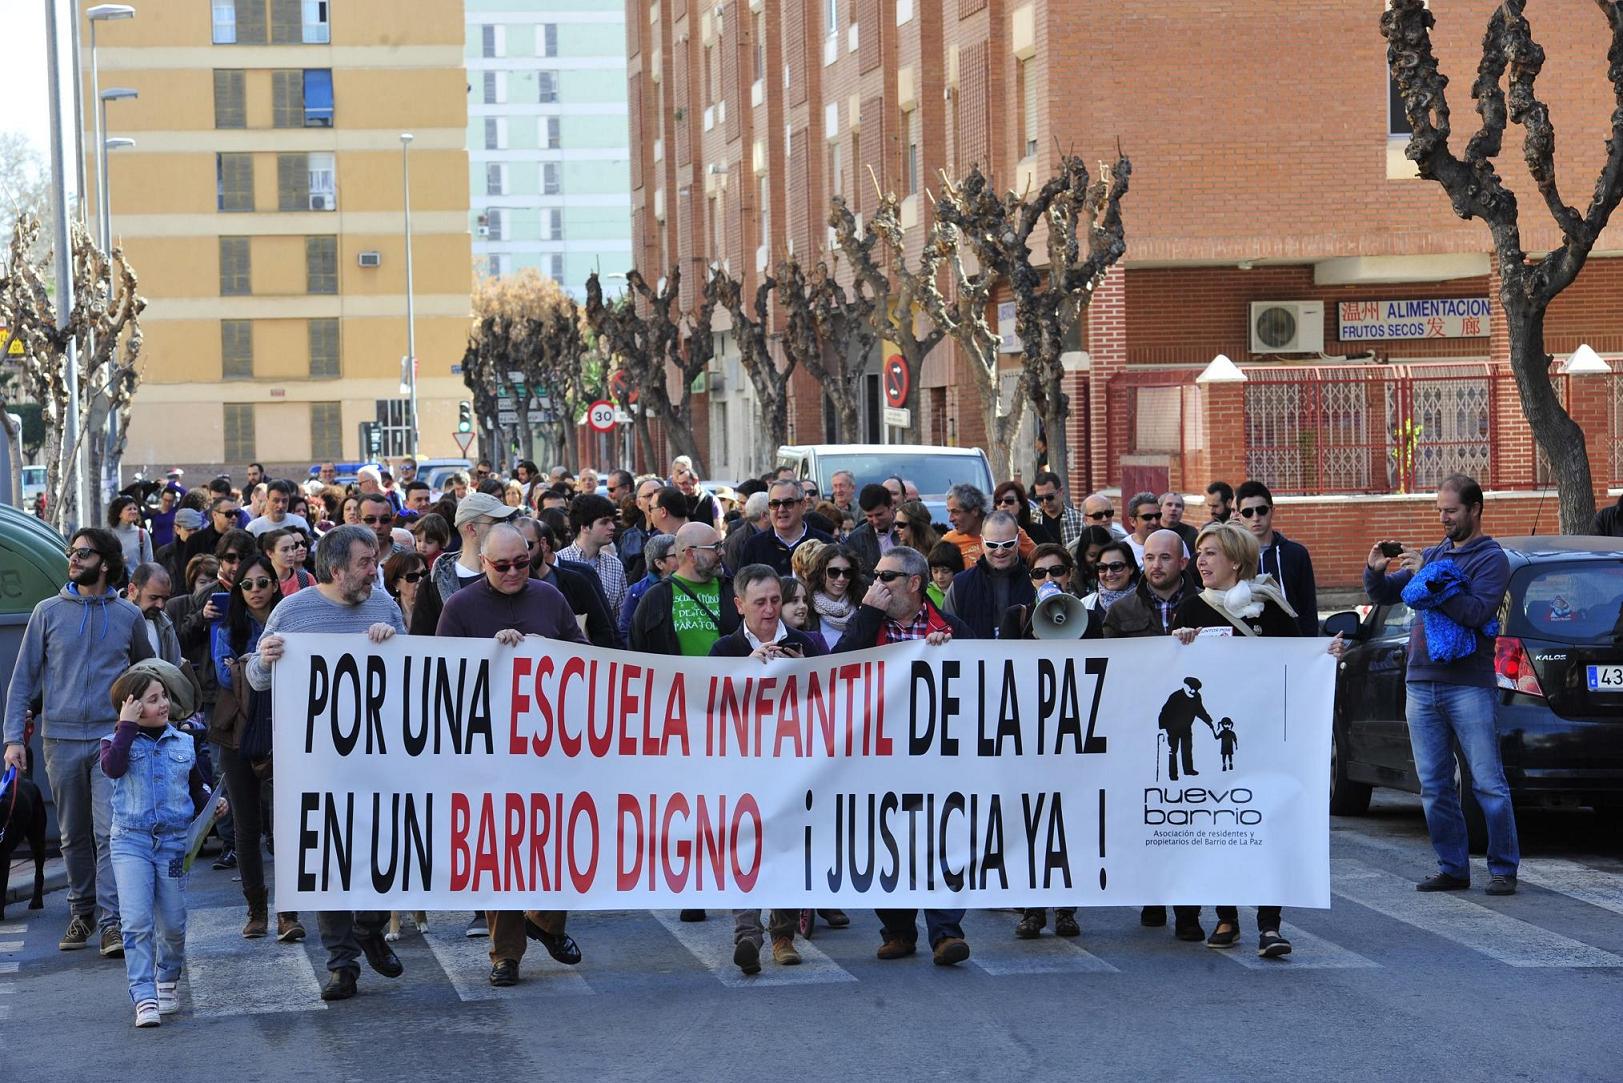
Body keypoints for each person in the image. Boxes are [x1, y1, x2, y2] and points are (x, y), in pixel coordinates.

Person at [246, 525, 408, 1002]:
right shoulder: (293, 611)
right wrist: (264, 657)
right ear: (336, 569)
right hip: (316, 764)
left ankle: (371, 926)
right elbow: (258, 679)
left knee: (385, 854)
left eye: (375, 563)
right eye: (365, 564)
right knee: (326, 862)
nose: (374, 572)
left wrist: (392, 642)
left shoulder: (384, 605)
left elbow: (413, 669)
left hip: (379, 759)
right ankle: (341, 965)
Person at [1170, 520, 1344, 957]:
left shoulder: (1271, 607)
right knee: (1219, 827)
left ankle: (1270, 925)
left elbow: (1298, 662)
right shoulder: (1190, 609)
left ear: (1235, 560)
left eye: (1210, 552)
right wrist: (1177, 644)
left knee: (1267, 825)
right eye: (1200, 553)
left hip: (1266, 736)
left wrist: (1326, 656)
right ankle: (1226, 915)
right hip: (1217, 743)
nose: (1202, 560)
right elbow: (1175, 674)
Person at [434, 524, 584, 986]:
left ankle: (546, 921)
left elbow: (583, 657)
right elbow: (437, 674)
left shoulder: (549, 597)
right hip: (489, 751)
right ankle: (505, 954)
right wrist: (489, 658)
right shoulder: (460, 607)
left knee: (558, 842)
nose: (515, 571)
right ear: (483, 564)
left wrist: (547, 652)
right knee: (499, 852)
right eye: (503, 566)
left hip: (549, 747)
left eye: (523, 562)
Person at [1364, 474, 1518, 896]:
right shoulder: (1433, 553)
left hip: (1469, 683)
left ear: (1474, 509)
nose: (1443, 518)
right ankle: (1453, 867)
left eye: (1450, 510)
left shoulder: (1491, 559)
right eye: (1439, 511)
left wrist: (1430, 574)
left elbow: (1474, 612)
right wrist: (1376, 570)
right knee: (1433, 785)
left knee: (1487, 781)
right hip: (1421, 683)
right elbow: (1386, 595)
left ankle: (1503, 868)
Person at [5, 527, 155, 956]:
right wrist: (13, 738)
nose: (73, 558)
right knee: (72, 835)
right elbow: (21, 681)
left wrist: (148, 723)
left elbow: (145, 673)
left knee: (110, 832)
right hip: (60, 741)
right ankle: (82, 911)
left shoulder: (128, 616)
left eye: (83, 553)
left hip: (112, 739)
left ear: (104, 563)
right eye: (72, 552)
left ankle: (111, 923)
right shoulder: (47, 612)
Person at [833, 546, 973, 966]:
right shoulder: (868, 622)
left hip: (938, 757)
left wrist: (949, 654)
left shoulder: (950, 627)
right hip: (879, 757)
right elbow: (840, 668)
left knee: (942, 840)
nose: (877, 584)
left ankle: (946, 932)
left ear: (915, 583)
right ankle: (897, 929)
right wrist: (868, 614)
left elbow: (978, 684)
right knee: (886, 841)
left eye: (887, 577)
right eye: (875, 575)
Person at [703, 563, 825, 972]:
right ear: (740, 605)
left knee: (789, 847)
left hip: (794, 767)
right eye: (760, 602)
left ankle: (783, 934)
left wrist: (807, 669)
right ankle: (747, 935)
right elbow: (709, 709)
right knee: (744, 849)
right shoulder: (725, 650)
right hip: (743, 769)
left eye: (776, 600)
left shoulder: (809, 642)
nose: (770, 610)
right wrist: (744, 670)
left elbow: (833, 701)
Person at [630, 521, 738, 922]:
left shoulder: (734, 594)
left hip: (731, 712)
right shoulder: (655, 600)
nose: (722, 553)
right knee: (689, 804)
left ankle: (734, 876)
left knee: (730, 799)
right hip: (679, 719)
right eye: (716, 547)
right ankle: (695, 884)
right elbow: (638, 657)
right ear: (691, 553)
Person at [101, 667, 217, 1026]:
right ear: (130, 706)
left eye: (164, 696)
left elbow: (197, 786)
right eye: (153, 699)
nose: (164, 704)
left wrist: (212, 803)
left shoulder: (183, 742)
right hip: (130, 842)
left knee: (173, 923)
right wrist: (126, 726)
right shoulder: (114, 742)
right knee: (135, 922)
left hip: (172, 844)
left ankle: (167, 978)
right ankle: (144, 996)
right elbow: (113, 768)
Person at [998, 542, 1093, 939]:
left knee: (1068, 820)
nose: (1048, 579)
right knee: (1029, 819)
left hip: (1071, 735)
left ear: (1068, 575)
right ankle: (1033, 907)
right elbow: (1001, 671)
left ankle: (1066, 907)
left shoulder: (1088, 616)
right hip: (1027, 734)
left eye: (1056, 572)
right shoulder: (1016, 617)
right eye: (1039, 574)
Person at [212, 551, 303, 942]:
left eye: (262, 582)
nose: (254, 591)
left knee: (284, 825)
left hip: (285, 731)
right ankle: (256, 909)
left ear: (275, 583)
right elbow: (222, 672)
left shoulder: (291, 620)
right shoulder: (227, 627)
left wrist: (250, 662)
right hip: (239, 733)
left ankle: (288, 913)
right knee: (247, 827)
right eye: (245, 584)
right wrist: (257, 661)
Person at [1235, 480, 1320, 637]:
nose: (1255, 517)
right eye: (1248, 512)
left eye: (1261, 510)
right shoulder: (1233, 556)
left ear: (1272, 511)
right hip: (1247, 645)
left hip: (1291, 642)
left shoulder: (1296, 554)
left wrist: (1309, 647)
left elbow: (1308, 607)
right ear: (1239, 516)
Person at [943, 511, 1034, 640]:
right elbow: (944, 629)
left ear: (1018, 540)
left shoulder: (1035, 582)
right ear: (982, 541)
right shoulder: (960, 584)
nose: (1000, 551)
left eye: (1007, 544)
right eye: (992, 545)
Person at [740, 478, 834, 575]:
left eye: (788, 503)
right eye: (775, 504)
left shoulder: (825, 543)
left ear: (803, 506)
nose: (781, 509)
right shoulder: (753, 546)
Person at [558, 493, 628, 615]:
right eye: (604, 522)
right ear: (585, 527)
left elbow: (620, 615)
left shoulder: (615, 565)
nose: (612, 527)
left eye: (612, 521)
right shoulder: (559, 561)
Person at [619, 533, 678, 646]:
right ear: (659, 563)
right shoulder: (637, 592)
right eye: (676, 555)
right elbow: (625, 633)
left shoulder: (690, 584)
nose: (682, 557)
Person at [805, 544, 866, 650]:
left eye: (847, 572)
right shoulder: (805, 605)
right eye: (834, 572)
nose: (841, 578)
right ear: (821, 572)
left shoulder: (862, 603)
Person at [844, 484, 899, 575]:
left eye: (879, 514)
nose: (875, 521)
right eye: (869, 516)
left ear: (891, 506)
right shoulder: (856, 538)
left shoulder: (907, 529)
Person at [1082, 539, 1139, 618]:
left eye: (1116, 566)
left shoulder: (1147, 602)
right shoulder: (1085, 605)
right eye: (1102, 567)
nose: (1109, 574)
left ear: (1131, 568)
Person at [1030, 471, 1085, 549]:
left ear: (1060, 492)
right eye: (1040, 498)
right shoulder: (1031, 519)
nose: (1045, 502)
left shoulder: (1078, 519)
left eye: (1049, 497)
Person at [722, 491, 770, 574]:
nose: (779, 511)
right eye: (773, 508)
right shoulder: (743, 541)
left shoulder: (746, 534)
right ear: (765, 516)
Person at [247, 479, 312, 537]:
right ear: (267, 500)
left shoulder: (300, 523)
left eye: (284, 501)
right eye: (276, 500)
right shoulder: (253, 528)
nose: (280, 506)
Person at [382, 549, 428, 630]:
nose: (421, 579)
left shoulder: (437, 609)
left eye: (424, 574)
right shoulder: (386, 614)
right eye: (412, 577)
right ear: (395, 583)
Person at [263, 527, 314, 597]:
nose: (291, 554)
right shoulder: (262, 582)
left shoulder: (306, 579)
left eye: (293, 548)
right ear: (270, 553)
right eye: (284, 550)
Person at [778, 576, 824, 651]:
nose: (803, 606)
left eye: (805, 600)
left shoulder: (816, 639)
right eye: (795, 600)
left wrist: (804, 661)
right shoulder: (765, 640)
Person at [110, 496, 154, 574]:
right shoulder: (109, 534)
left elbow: (149, 563)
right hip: (114, 582)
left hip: (136, 583)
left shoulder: (142, 534)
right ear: (119, 513)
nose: (133, 512)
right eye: (129, 509)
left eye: (135, 509)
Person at [1071, 524, 1115, 596]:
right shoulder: (1074, 578)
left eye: (1102, 554)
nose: (1098, 560)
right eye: (1092, 555)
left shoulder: (1118, 573)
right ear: (1083, 554)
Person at [925, 542, 963, 609]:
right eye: (935, 571)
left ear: (956, 569)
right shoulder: (926, 594)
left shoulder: (963, 590)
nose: (940, 576)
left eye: (945, 571)